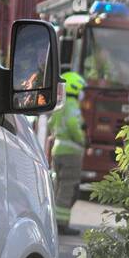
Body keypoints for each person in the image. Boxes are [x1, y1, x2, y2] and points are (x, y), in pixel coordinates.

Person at [50, 72, 86, 233]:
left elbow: (51, 123)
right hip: (71, 153)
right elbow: (73, 125)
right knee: (67, 188)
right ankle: (61, 224)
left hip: (57, 151)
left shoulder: (60, 104)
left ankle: (53, 222)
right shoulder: (72, 104)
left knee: (58, 186)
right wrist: (82, 141)